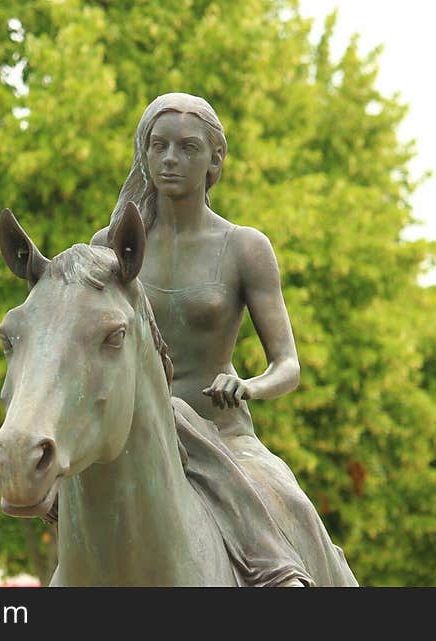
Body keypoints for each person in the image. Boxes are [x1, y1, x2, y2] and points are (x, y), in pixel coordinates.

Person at [91, 92, 357, 586]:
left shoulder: (244, 248)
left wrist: (250, 386)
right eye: (158, 146)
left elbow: (288, 365)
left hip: (223, 436)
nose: (170, 159)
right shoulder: (109, 247)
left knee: (289, 505)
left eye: (188, 148)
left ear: (215, 160)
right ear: (143, 153)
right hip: (133, 436)